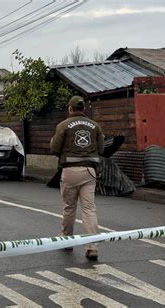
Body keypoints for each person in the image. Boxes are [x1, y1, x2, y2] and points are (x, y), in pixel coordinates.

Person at [50, 95, 104, 260]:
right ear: (84, 109)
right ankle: (92, 246)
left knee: (69, 207)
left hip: (70, 171)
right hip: (89, 171)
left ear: (70, 109)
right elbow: (101, 149)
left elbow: (55, 148)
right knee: (89, 208)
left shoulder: (63, 125)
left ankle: (66, 240)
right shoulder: (95, 126)